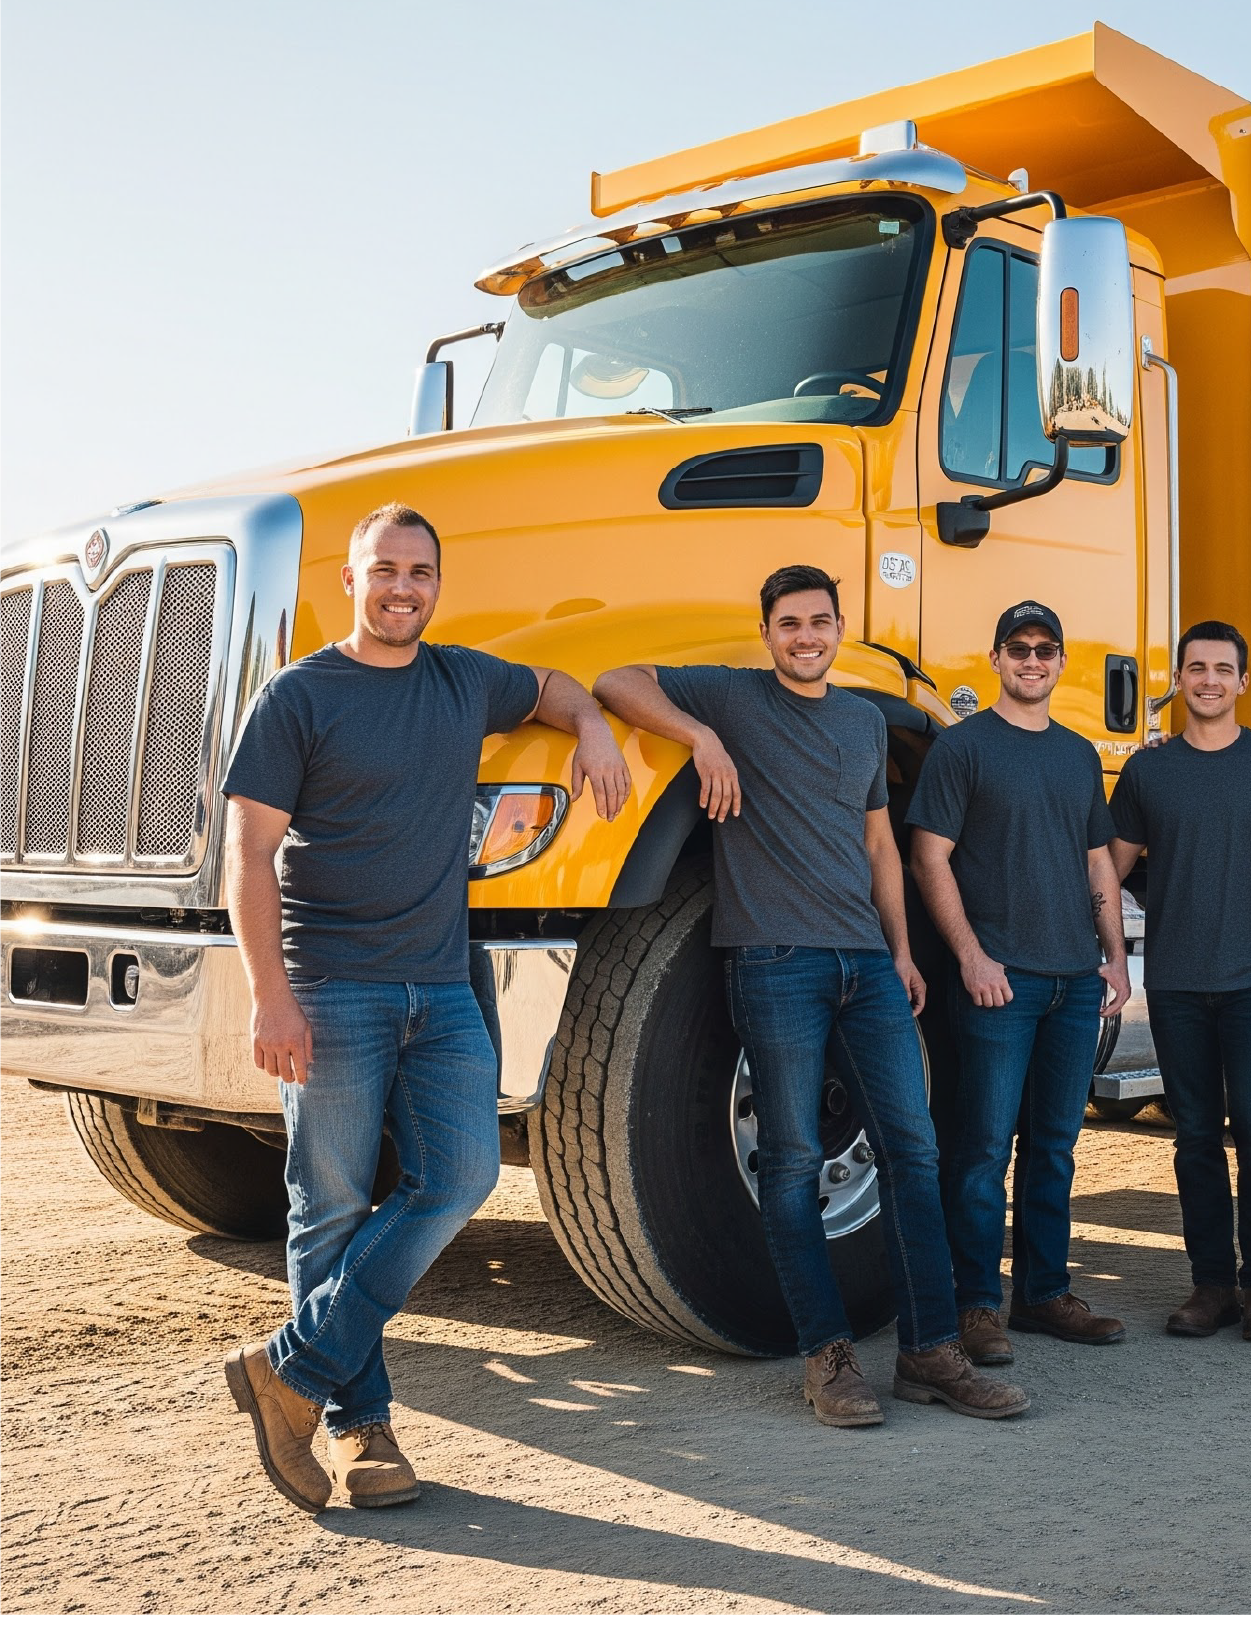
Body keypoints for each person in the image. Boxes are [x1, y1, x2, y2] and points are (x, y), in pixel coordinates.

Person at [222, 502, 633, 1510]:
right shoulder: (300, 696)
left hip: (441, 985)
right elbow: (248, 854)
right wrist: (269, 996)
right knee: (329, 1207)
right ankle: (364, 1432)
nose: (402, 588)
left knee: (460, 1176)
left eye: (419, 572)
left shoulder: (461, 677)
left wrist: (587, 723)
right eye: (384, 570)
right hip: (332, 986)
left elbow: (550, 686)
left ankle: (290, 1369)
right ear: (352, 580)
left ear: (436, 585)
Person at [592, 568, 1025, 1428]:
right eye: (789, 624)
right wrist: (699, 739)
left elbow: (879, 846)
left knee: (915, 1150)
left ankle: (929, 1352)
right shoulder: (735, 699)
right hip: (774, 960)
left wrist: (901, 951)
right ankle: (826, 1357)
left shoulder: (864, 718)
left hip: (866, 964)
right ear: (768, 632)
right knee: (790, 1163)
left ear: (838, 627)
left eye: (819, 622)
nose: (805, 636)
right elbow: (616, 681)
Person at [1109, 622, 1251, 1342]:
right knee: (1194, 1141)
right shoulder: (1149, 771)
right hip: (1178, 984)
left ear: (1245, 683)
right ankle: (1210, 1283)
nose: (1208, 679)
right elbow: (1106, 870)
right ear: (1178, 679)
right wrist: (1091, 944)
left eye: (1223, 668)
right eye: (1195, 668)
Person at [906, 603, 1131, 1359]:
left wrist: (1115, 954)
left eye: (1045, 649)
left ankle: (1042, 1294)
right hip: (1000, 983)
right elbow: (928, 855)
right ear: (996, 658)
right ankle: (975, 1305)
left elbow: (1097, 858)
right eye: (1019, 648)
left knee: (1056, 1146)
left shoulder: (1075, 755)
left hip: (1073, 980)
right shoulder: (963, 749)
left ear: (1061, 660)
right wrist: (970, 955)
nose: (1033, 660)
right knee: (979, 1150)